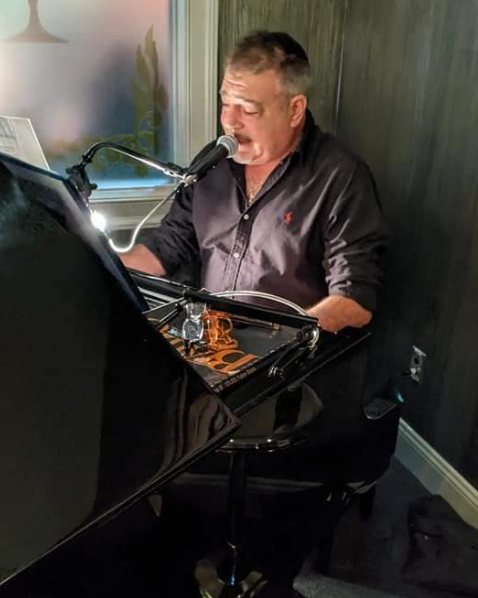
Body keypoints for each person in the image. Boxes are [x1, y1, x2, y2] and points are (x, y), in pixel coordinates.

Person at [121, 30, 387, 333]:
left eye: (248, 109)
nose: (230, 122)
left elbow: (354, 301)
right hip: (209, 342)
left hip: (289, 353)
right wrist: (100, 264)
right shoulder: (213, 163)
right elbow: (165, 250)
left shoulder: (341, 177)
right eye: (225, 104)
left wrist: (283, 342)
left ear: (295, 110)